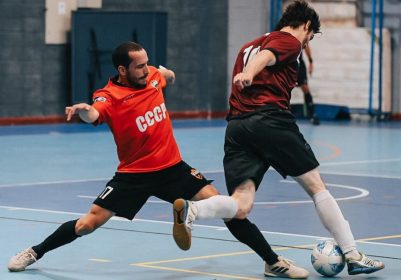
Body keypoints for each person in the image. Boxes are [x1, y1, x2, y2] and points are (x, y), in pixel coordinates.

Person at [172, 1, 385, 278]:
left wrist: (247, 72)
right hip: (270, 120)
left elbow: (261, 57)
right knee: (316, 186)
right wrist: (250, 72)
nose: (307, 41)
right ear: (306, 25)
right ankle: (353, 255)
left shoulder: (247, 45)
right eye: (310, 36)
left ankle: (193, 210)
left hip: (237, 127)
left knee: (241, 203)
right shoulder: (289, 41)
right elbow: (268, 57)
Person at [7, 41, 239, 272]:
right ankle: (34, 252)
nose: (146, 70)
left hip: (171, 168)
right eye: (139, 66)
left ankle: (268, 258)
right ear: (122, 70)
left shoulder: (153, 76)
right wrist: (84, 110)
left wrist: (169, 73)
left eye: (147, 64)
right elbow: (95, 113)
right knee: (87, 224)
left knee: (216, 201)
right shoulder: (109, 96)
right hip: (133, 174)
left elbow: (165, 75)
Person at [298, 44, 320, 125]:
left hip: (299, 64)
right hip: (288, 63)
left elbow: (306, 45)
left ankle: (312, 115)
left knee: (305, 88)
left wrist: (310, 62)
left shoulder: (301, 35)